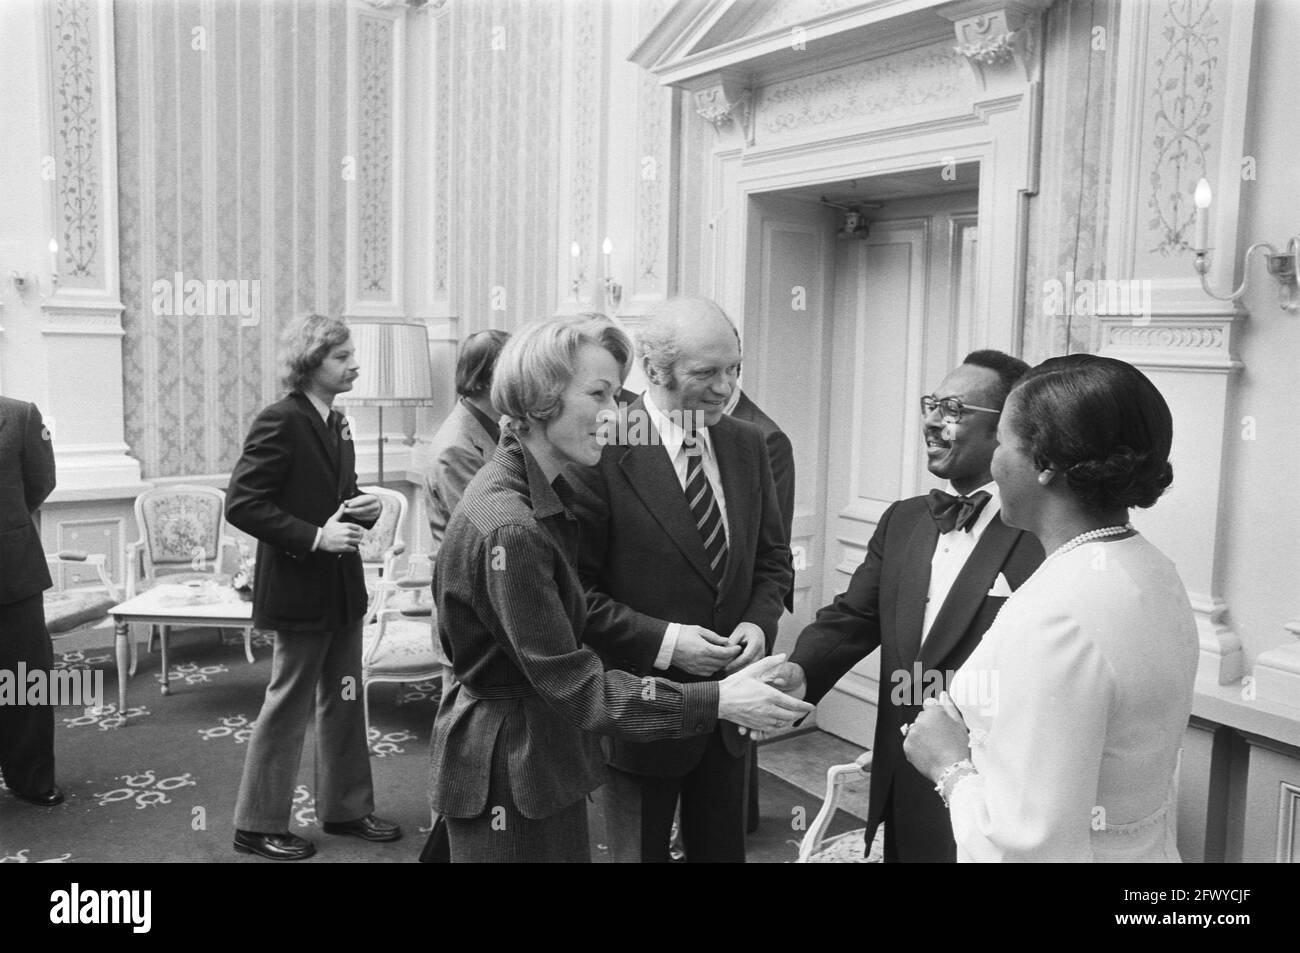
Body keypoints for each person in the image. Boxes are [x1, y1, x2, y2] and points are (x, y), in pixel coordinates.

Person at [428, 314, 811, 862]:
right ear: (540, 401)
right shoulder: (512, 524)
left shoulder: (532, 495)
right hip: (514, 765)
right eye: (600, 395)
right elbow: (576, 686)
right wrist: (719, 698)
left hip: (537, 757)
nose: (616, 416)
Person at [903, 354, 1197, 862]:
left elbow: (1030, 847)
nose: (993, 463)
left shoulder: (1053, 616)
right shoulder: (1153, 568)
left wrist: (948, 765)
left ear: (1042, 464)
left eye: (1002, 443)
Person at [768, 350, 1044, 862]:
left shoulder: (1040, 538)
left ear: (1005, 431)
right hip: (903, 774)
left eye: (955, 410)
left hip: (987, 787)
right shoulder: (904, 520)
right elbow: (855, 616)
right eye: (932, 404)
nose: (933, 422)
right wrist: (799, 671)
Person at [570, 296, 793, 863]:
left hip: (732, 713)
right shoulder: (600, 448)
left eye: (734, 369)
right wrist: (670, 644)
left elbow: (772, 559)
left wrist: (757, 622)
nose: (726, 388)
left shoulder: (748, 444)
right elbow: (578, 597)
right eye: (707, 373)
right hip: (644, 714)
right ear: (653, 368)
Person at [226, 313, 401, 861]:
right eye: (341, 357)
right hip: (300, 586)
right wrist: (314, 537)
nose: (354, 364)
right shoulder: (279, 420)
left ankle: (346, 810)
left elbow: (336, 491)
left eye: (352, 355)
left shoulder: (336, 421)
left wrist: (363, 506)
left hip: (341, 589)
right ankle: (256, 825)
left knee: (344, 701)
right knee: (288, 704)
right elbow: (244, 504)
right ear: (310, 363)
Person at [726, 383, 796, 834]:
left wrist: (755, 617)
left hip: (742, 613)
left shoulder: (764, 436)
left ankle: (741, 817)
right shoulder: (633, 427)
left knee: (737, 735)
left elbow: (774, 543)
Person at [0, 397, 62, 807]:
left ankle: (31, 777)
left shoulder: (20, 416)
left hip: (12, 569)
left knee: (25, 680)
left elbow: (41, 480)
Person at [423, 329, 509, 556]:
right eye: (516, 374)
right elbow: (488, 531)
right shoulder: (455, 449)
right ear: (493, 377)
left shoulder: (492, 427)